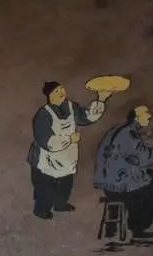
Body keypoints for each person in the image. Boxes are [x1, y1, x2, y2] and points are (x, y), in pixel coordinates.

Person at [27, 81, 112, 219]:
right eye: (56, 92)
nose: (61, 94)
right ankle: (41, 210)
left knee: (65, 184)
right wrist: (68, 139)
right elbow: (46, 141)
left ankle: (60, 204)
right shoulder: (43, 115)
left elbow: (87, 117)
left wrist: (101, 99)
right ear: (49, 96)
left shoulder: (71, 107)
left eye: (62, 90)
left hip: (67, 157)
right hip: (46, 159)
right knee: (45, 189)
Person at [94, 105, 153, 237]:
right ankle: (138, 229)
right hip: (118, 184)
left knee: (148, 184)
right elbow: (141, 157)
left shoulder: (122, 130)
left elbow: (133, 155)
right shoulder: (128, 133)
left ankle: (113, 230)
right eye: (146, 113)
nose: (149, 116)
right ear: (137, 117)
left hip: (110, 182)